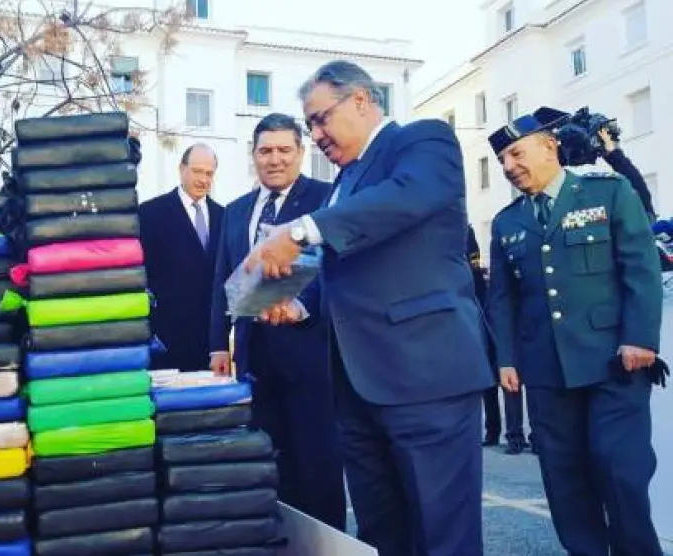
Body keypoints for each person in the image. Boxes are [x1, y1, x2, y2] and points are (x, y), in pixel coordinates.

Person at [246, 60, 492, 556]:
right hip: (357, 387)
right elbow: (340, 271)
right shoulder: (345, 180)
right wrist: (297, 307)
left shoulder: (422, 141)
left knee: (442, 534)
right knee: (382, 533)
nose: (317, 135)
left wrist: (300, 231)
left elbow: (405, 197)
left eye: (321, 119)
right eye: (311, 125)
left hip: (425, 378)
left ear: (360, 100)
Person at [486, 107, 664, 556]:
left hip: (614, 362)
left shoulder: (608, 192)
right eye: (502, 160)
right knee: (564, 478)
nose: (508, 166)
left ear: (549, 147)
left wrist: (641, 338)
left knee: (620, 471)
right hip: (546, 369)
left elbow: (640, 268)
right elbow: (502, 299)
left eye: (515, 154)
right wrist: (506, 358)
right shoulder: (507, 222)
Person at [208, 114, 347, 530]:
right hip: (254, 360)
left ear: (301, 153)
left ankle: (325, 547)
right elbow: (222, 279)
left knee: (317, 468)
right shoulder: (235, 210)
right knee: (267, 467)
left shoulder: (327, 198)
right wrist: (217, 344)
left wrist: (302, 307)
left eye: (284, 150)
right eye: (266, 150)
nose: (275, 159)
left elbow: (336, 271)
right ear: (253, 155)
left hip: (311, 357)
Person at [138, 143, 225, 371]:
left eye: (209, 173)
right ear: (181, 169)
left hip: (211, 343)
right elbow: (139, 277)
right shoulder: (150, 213)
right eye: (197, 171)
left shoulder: (224, 216)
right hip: (166, 341)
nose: (203, 179)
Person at [469, 225, 531, 453]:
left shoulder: (468, 235)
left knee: (511, 378)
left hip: (501, 321)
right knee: (488, 379)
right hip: (478, 314)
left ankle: (517, 436)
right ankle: (493, 432)